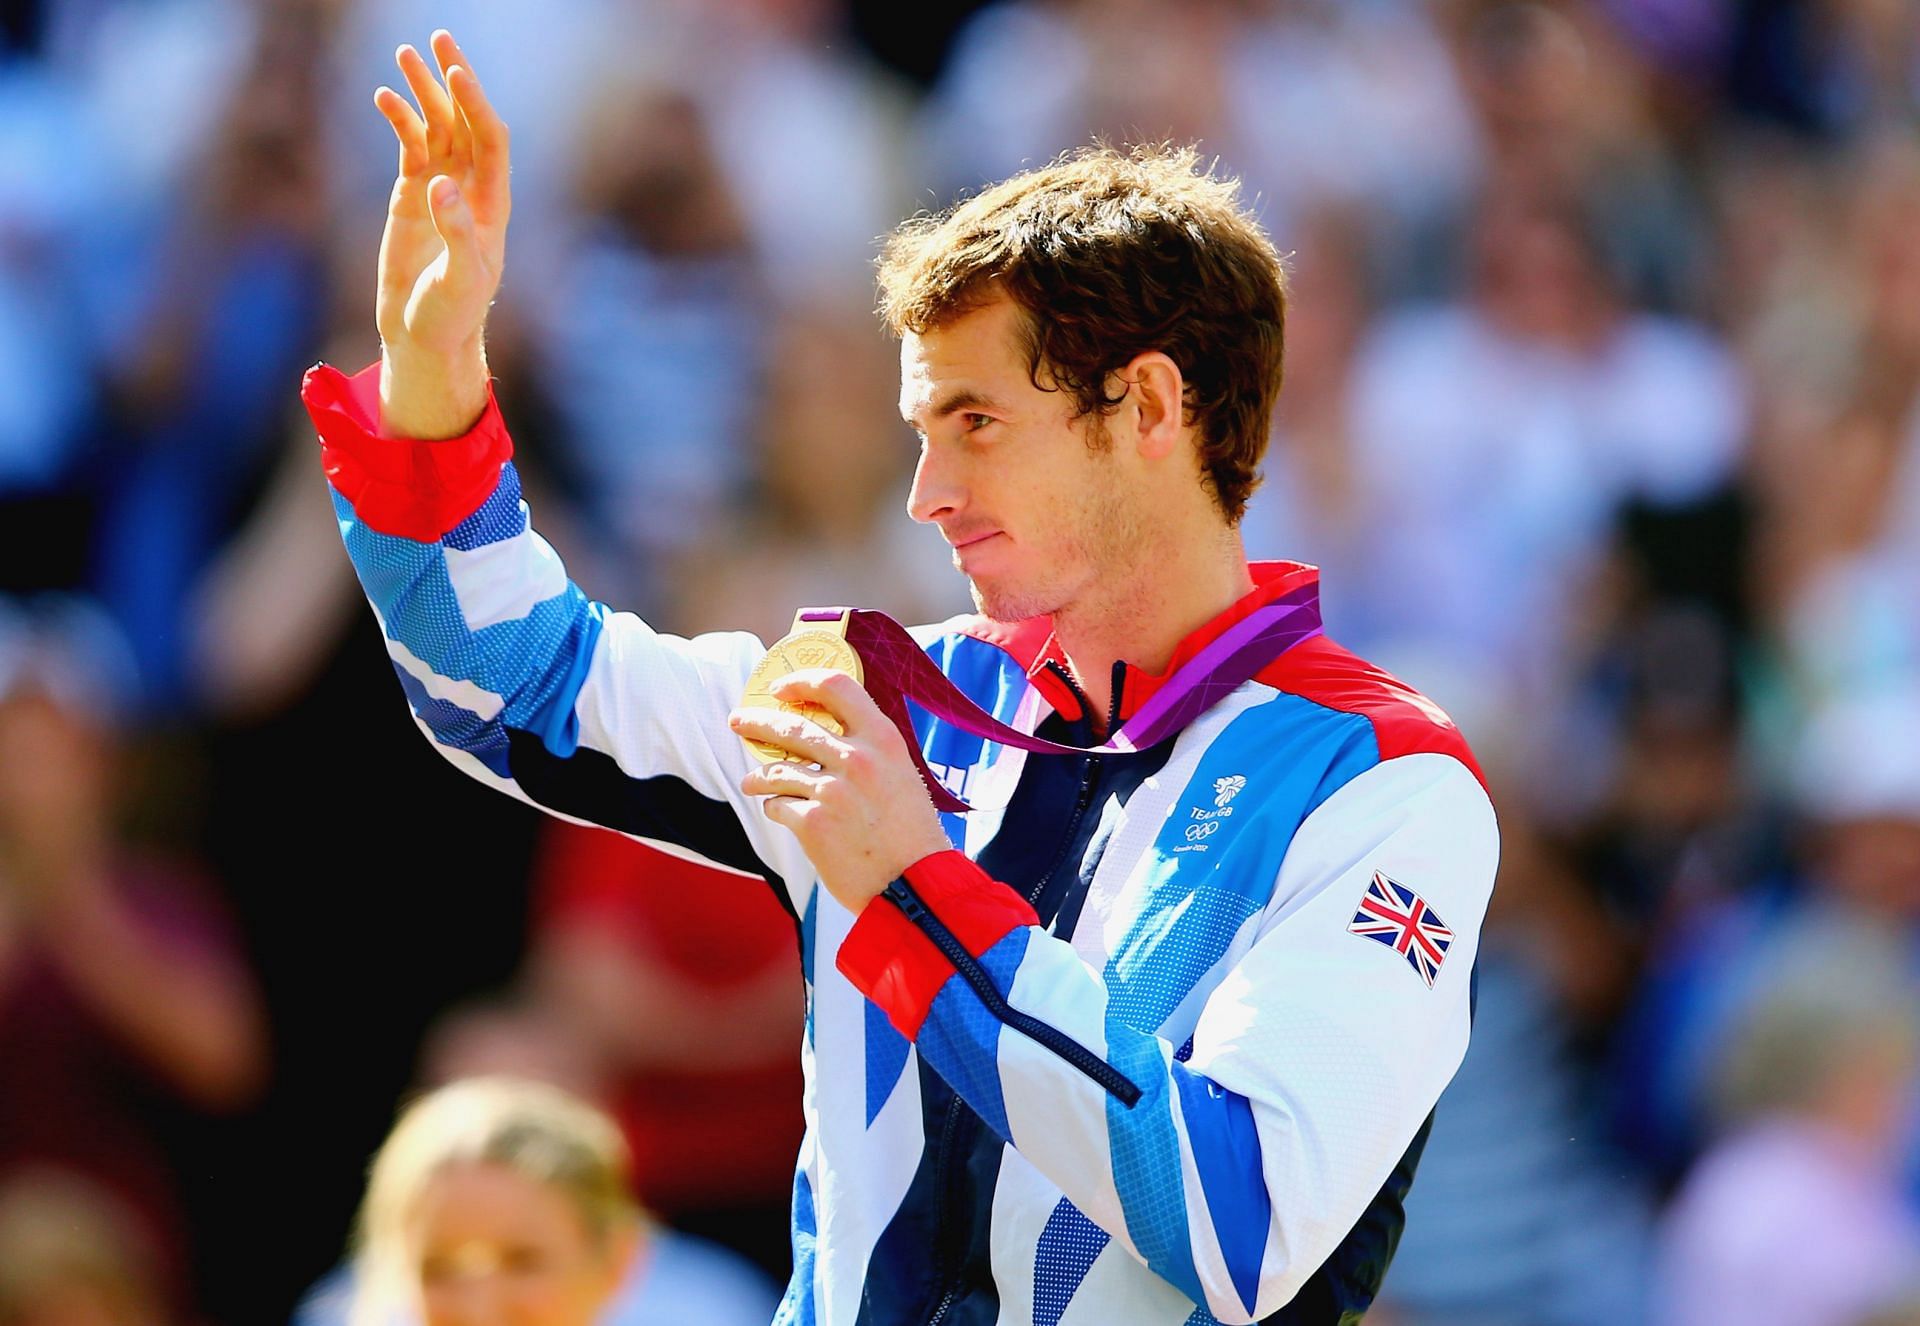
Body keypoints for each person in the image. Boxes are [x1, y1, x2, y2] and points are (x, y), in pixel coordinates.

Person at [300, 29, 1498, 1325]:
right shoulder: (882, 706)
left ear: (1150, 411)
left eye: (976, 424)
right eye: (922, 435)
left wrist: (915, 887)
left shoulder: (1384, 783)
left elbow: (1235, 1216)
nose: (926, 495)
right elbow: (506, 682)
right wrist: (432, 381)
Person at [306, 1076, 775, 1326]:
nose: (479, 1308)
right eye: (438, 1268)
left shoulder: (715, 1309)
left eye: (522, 1261)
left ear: (617, 1259)